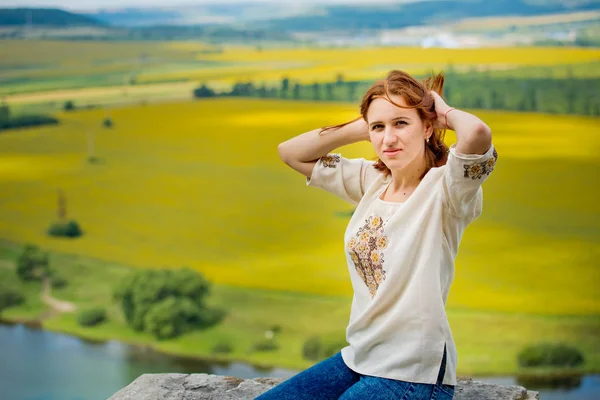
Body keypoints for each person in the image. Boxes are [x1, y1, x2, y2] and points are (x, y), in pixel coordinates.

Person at [257, 70, 498, 400]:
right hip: (360, 358)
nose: (388, 138)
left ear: (428, 127)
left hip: (415, 372)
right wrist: (367, 123)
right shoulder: (372, 180)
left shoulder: (448, 190)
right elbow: (291, 152)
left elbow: (478, 133)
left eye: (402, 124)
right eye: (378, 128)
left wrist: (442, 112)